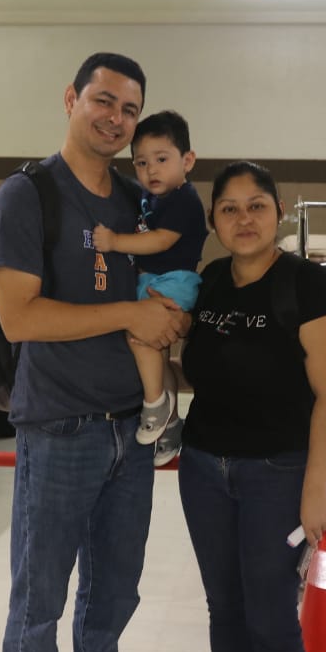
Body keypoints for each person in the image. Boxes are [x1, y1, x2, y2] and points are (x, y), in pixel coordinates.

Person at [0, 52, 188, 652]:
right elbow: (19, 316)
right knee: (40, 600)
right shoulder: (30, 194)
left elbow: (166, 286)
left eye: (129, 109)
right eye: (103, 100)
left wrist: (171, 319)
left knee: (114, 592)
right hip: (58, 427)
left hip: (129, 431)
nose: (116, 118)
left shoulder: (140, 201)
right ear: (72, 98)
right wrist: (130, 313)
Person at [177, 161, 326, 652]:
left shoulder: (308, 285)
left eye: (256, 205)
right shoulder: (208, 283)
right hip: (203, 468)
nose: (243, 219)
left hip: (276, 472)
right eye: (229, 208)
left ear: (280, 213)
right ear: (214, 220)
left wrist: (315, 489)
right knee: (224, 609)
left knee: (271, 615)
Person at [92, 110, 206, 461]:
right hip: (157, 280)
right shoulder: (153, 197)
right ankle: (170, 427)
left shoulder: (183, 199)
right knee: (158, 354)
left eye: (161, 159)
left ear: (187, 161)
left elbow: (160, 240)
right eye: (141, 163)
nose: (151, 170)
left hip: (174, 281)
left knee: (140, 337)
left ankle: (155, 404)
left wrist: (114, 242)